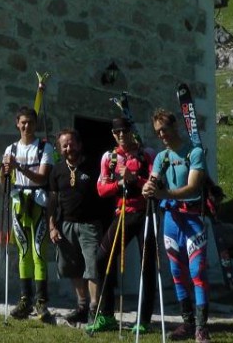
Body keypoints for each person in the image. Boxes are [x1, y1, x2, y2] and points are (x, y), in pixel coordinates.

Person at [143, 109, 212, 343]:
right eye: (157, 131)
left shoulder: (195, 152)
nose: (162, 134)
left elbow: (193, 187)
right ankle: (188, 324)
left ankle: (202, 328)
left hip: (193, 219)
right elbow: (153, 179)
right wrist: (148, 187)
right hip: (171, 220)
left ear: (175, 127)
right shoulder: (162, 156)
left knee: (197, 273)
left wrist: (164, 193)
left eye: (165, 128)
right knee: (176, 274)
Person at [87, 117, 157, 335]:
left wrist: (133, 178)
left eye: (124, 131)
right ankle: (107, 315)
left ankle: (144, 320)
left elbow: (155, 185)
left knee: (148, 266)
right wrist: (119, 182)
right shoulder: (109, 157)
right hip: (123, 214)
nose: (121, 136)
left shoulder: (147, 154)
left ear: (131, 131)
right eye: (117, 132)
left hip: (146, 213)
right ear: (113, 134)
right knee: (102, 258)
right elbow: (101, 188)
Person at [47, 128, 107, 327]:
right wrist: (52, 227)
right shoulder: (57, 170)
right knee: (72, 268)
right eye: (64, 145)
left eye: (72, 143)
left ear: (80, 145)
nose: (68, 148)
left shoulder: (93, 166)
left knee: (92, 268)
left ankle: (93, 310)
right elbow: (53, 201)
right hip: (65, 226)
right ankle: (81, 307)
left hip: (90, 225)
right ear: (60, 148)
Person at [1, 106, 55, 322]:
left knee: (38, 252)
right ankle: (25, 300)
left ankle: (41, 303)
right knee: (23, 252)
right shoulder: (10, 149)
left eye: (30, 122)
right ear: (17, 123)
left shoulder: (45, 147)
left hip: (38, 202)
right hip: (18, 204)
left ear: (35, 124)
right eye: (23, 122)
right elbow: (4, 183)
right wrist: (4, 173)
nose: (26, 126)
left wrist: (18, 168)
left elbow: (42, 178)